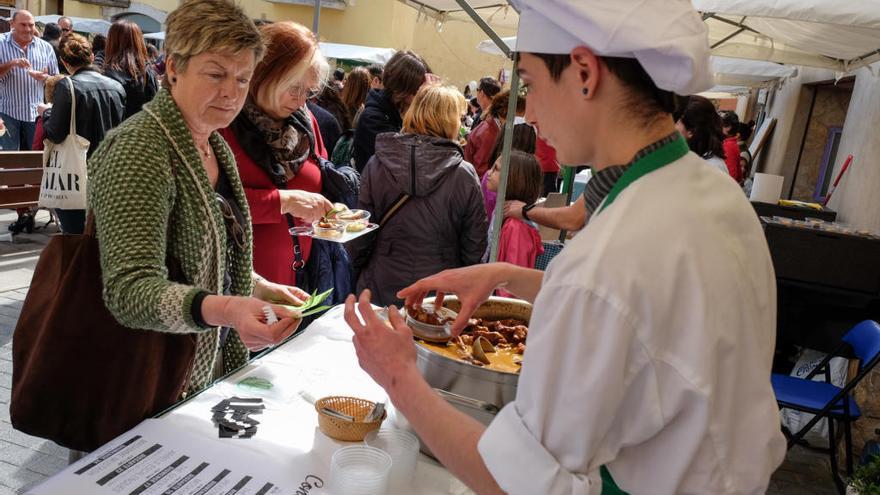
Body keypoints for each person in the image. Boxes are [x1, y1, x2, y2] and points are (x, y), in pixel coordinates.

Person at [343, 0, 786, 493]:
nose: (529, 111)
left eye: (530, 83)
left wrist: (399, 377)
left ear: (584, 72)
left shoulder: (607, 262)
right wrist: (503, 276)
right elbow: (650, 319)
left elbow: (519, 483)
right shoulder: (714, 193)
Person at [89, 0, 304, 421]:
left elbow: (207, 258)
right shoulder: (139, 148)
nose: (231, 92)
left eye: (243, 78)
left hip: (200, 378)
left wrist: (257, 288)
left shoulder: (213, 143)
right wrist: (228, 309)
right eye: (216, 74)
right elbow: (128, 291)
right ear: (173, 68)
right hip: (142, 387)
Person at [218, 21, 334, 290]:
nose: (301, 101)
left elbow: (319, 177)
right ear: (264, 72)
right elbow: (207, 204)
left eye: (308, 91)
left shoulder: (306, 122)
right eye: (294, 87)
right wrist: (283, 201)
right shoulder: (223, 123)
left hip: (303, 277)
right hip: (239, 288)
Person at [351, 85, 487, 306]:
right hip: (439, 287)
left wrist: (358, 268)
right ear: (450, 121)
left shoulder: (377, 163)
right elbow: (475, 243)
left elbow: (362, 232)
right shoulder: (463, 173)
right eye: (460, 119)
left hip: (381, 279)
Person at [40, 34, 124, 234]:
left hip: (75, 175)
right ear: (92, 57)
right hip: (109, 173)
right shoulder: (116, 86)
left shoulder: (66, 86)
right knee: (100, 238)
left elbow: (55, 134)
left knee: (75, 238)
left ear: (64, 62)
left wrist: (47, 113)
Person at [352, 50, 431, 172]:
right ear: (403, 87)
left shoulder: (402, 111)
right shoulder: (373, 118)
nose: (424, 94)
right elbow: (407, 161)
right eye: (420, 89)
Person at [0, 10, 59, 151]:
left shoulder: (46, 48)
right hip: (7, 113)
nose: (27, 29)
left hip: (36, 115)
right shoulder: (1, 43)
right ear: (12, 24)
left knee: (34, 160)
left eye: (31, 25)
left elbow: (56, 80)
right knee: (8, 161)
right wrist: (12, 63)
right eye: (23, 24)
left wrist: (45, 78)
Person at [485, 150, 544, 292]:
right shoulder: (502, 214)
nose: (488, 172)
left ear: (513, 179)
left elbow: (513, 284)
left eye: (496, 169)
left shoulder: (516, 227)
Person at [103, 20, 159, 120]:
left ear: (111, 42)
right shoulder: (148, 72)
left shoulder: (107, 74)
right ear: (139, 42)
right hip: (142, 131)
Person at [465, 89, 525, 178]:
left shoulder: (493, 127)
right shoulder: (489, 134)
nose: (520, 122)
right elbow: (481, 172)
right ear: (505, 112)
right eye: (519, 117)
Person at [675, 94, 729, 175]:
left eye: (676, 122)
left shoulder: (712, 168)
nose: (672, 127)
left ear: (691, 131)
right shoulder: (698, 161)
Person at [719, 109, 743, 183]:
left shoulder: (728, 146)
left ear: (728, 127)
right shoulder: (732, 144)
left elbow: (731, 175)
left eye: (721, 124)